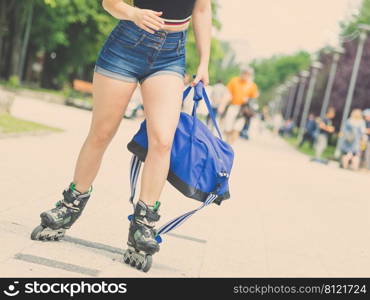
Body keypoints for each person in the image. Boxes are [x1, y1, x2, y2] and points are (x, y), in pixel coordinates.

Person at [31, 0, 212, 269]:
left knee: (163, 140)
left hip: (171, 55)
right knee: (102, 132)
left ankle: (143, 225)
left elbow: (202, 9)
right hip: (127, 45)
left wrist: (204, 61)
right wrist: (134, 13)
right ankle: (69, 206)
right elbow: (110, 3)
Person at [224, 68, 259, 144]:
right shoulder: (234, 81)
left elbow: (254, 98)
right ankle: (227, 143)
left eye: (248, 74)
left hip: (243, 110)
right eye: (244, 73)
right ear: (241, 73)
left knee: (237, 128)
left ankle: (230, 145)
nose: (246, 75)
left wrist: (248, 99)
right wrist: (222, 104)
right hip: (233, 106)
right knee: (228, 127)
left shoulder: (252, 85)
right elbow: (228, 93)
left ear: (250, 75)